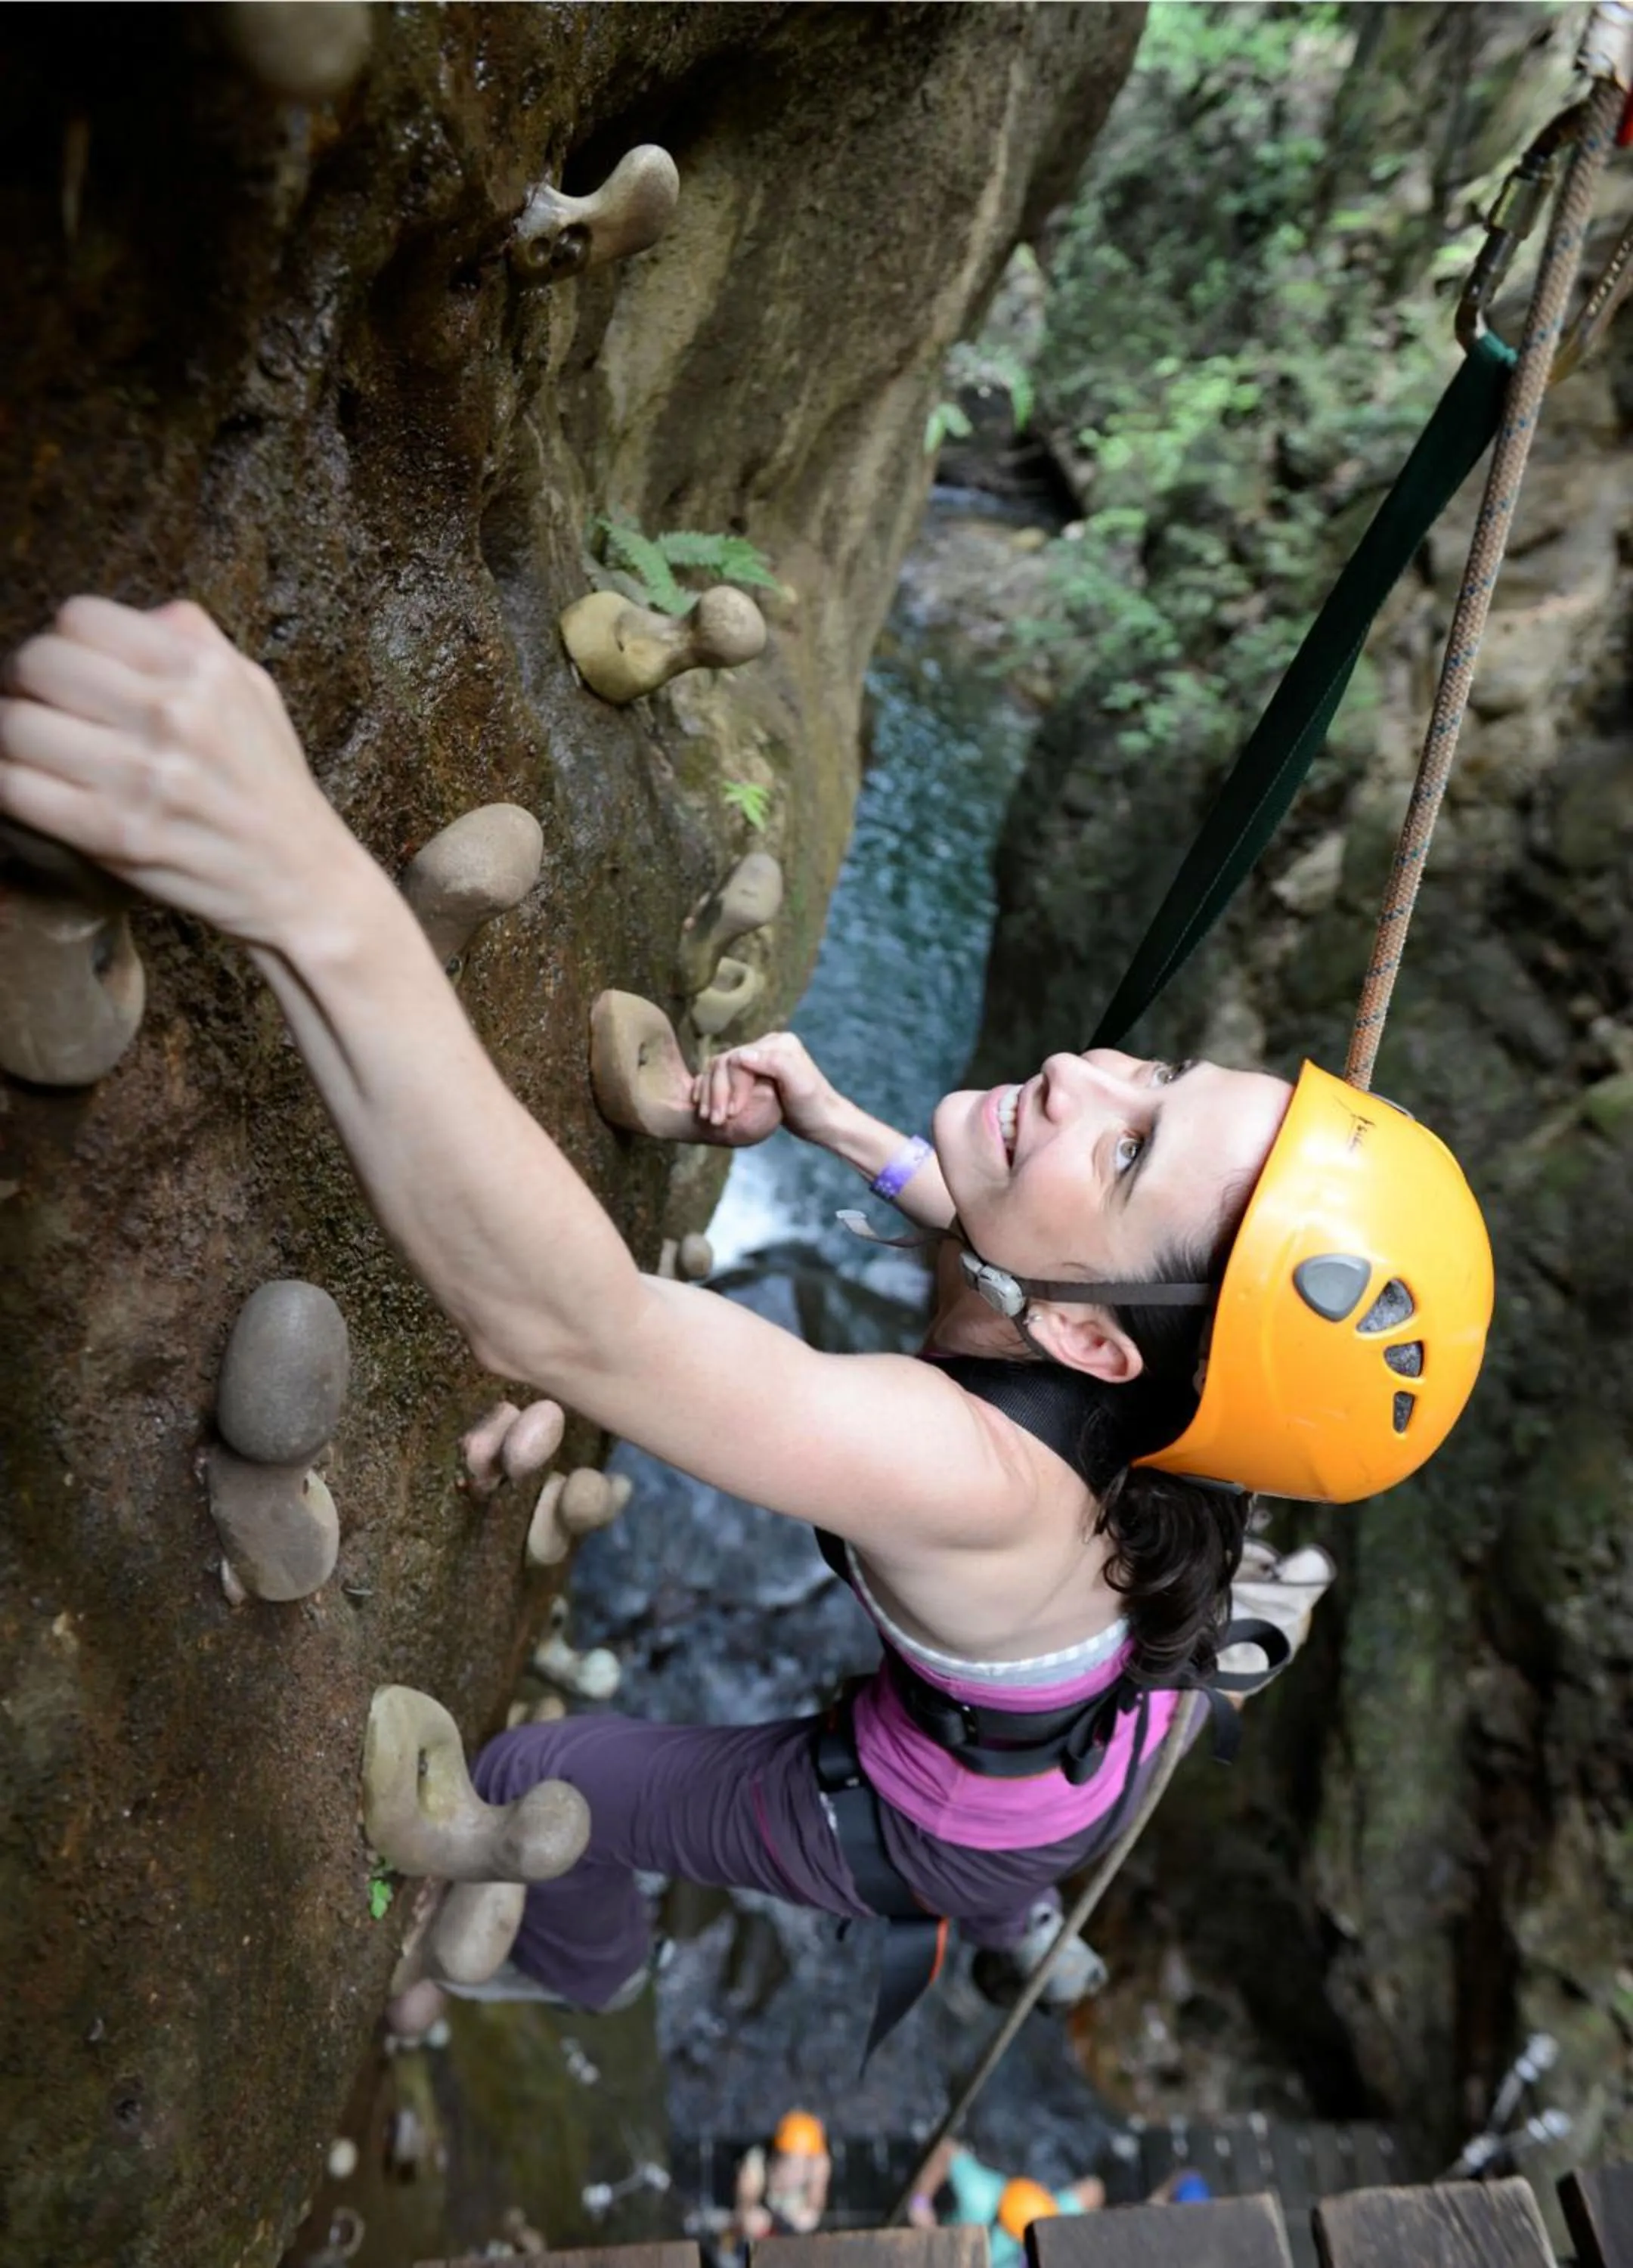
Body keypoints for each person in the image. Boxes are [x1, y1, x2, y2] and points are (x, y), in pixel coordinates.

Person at [0, 599, 1496, 2043]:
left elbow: (567, 1323)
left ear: (1101, 1347)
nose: (1086, 1074)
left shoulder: (966, 1479)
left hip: (937, 1815)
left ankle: (584, 1972)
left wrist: (292, 878)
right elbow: (1012, 1248)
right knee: (1039, 1762)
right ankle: (1024, 1892)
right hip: (1080, 1717)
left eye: (1127, 1151)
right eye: (1160, 1076)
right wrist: (840, 1126)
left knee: (538, 1770)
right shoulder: (1153, 1379)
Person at [908, 2139, 1105, 2264]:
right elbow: (946, 2149)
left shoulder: (1047, 2214)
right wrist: (920, 2203)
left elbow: (1094, 2189)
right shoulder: (980, 2198)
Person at [730, 2110, 832, 2245]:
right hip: (761, 2229)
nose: (796, 2172)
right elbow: (744, 2202)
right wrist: (749, 2214)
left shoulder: (819, 2164)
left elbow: (816, 2203)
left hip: (794, 2229)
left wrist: (810, 2214)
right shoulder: (757, 2162)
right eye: (790, 2162)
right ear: (778, 2156)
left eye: (802, 2164)